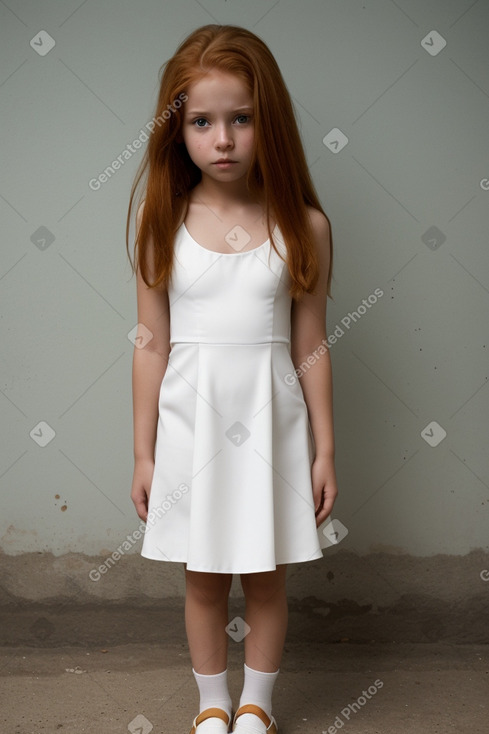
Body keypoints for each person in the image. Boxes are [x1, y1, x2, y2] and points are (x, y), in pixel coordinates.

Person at [126, 23, 338, 734]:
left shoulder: (302, 225)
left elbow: (310, 342)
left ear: (265, 121)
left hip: (270, 423)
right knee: (203, 575)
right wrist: (145, 451)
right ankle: (212, 703)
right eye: (202, 122)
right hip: (193, 423)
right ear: (176, 129)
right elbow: (150, 345)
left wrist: (323, 450)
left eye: (240, 119)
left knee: (267, 572)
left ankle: (257, 706)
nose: (222, 139)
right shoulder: (163, 222)